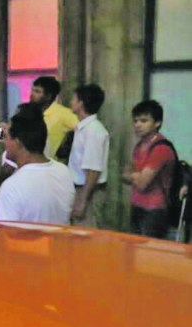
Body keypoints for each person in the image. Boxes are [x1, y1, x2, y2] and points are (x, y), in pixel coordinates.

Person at [0, 103, 75, 224]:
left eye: (6, 136)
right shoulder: (64, 172)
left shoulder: (12, 187)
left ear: (17, 142)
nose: (4, 142)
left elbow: (3, 232)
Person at [122, 99, 177, 239]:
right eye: (135, 121)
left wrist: (133, 176)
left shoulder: (161, 148)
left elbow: (142, 183)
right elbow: (124, 175)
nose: (138, 125)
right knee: (133, 249)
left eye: (144, 121)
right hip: (136, 206)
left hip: (154, 211)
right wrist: (136, 176)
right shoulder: (139, 145)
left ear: (157, 123)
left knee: (148, 251)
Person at [68, 84, 110, 227]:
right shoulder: (82, 128)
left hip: (88, 191)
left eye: (74, 99)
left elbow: (93, 170)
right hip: (79, 189)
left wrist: (82, 200)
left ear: (81, 103)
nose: (71, 102)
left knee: (86, 235)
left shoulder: (93, 130)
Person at [30, 76, 78, 161]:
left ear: (49, 96)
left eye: (37, 91)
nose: (32, 94)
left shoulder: (62, 113)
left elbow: (85, 128)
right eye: (32, 90)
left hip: (49, 165)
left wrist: (68, 146)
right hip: (28, 164)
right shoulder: (28, 112)